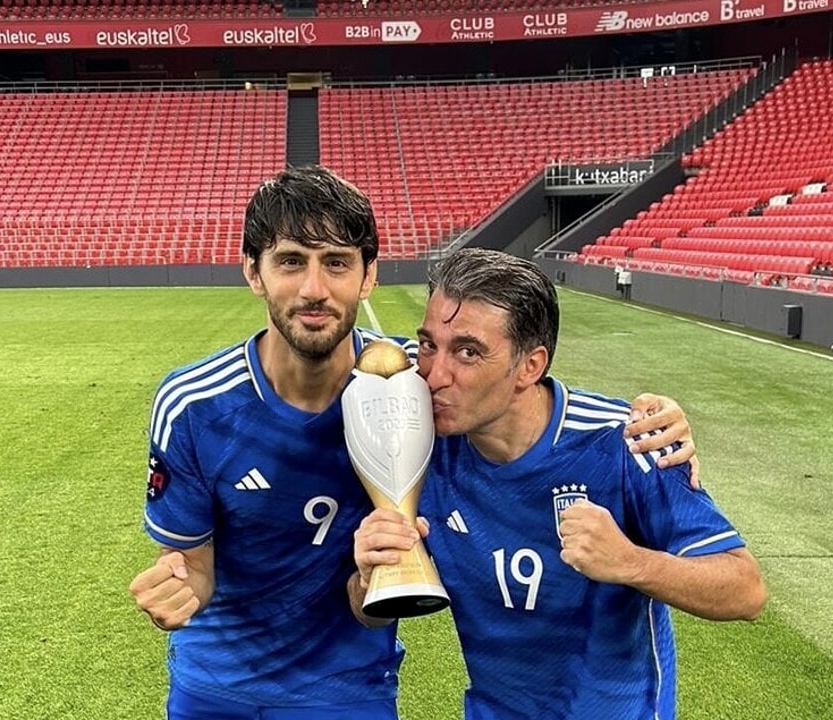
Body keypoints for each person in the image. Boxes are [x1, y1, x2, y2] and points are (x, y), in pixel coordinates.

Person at [128, 165, 701, 720]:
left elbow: (512, 387)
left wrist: (651, 424)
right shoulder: (194, 404)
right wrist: (178, 589)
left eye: (336, 263)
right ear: (254, 273)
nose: (313, 289)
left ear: (368, 276)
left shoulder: (416, 384)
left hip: (348, 687)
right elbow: (192, 567)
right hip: (215, 684)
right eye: (290, 262)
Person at [352, 247, 766, 720]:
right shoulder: (416, 439)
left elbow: (745, 589)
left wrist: (631, 562)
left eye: (468, 352)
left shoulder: (625, 441)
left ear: (530, 366)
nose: (434, 374)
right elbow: (367, 612)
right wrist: (369, 577)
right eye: (428, 344)